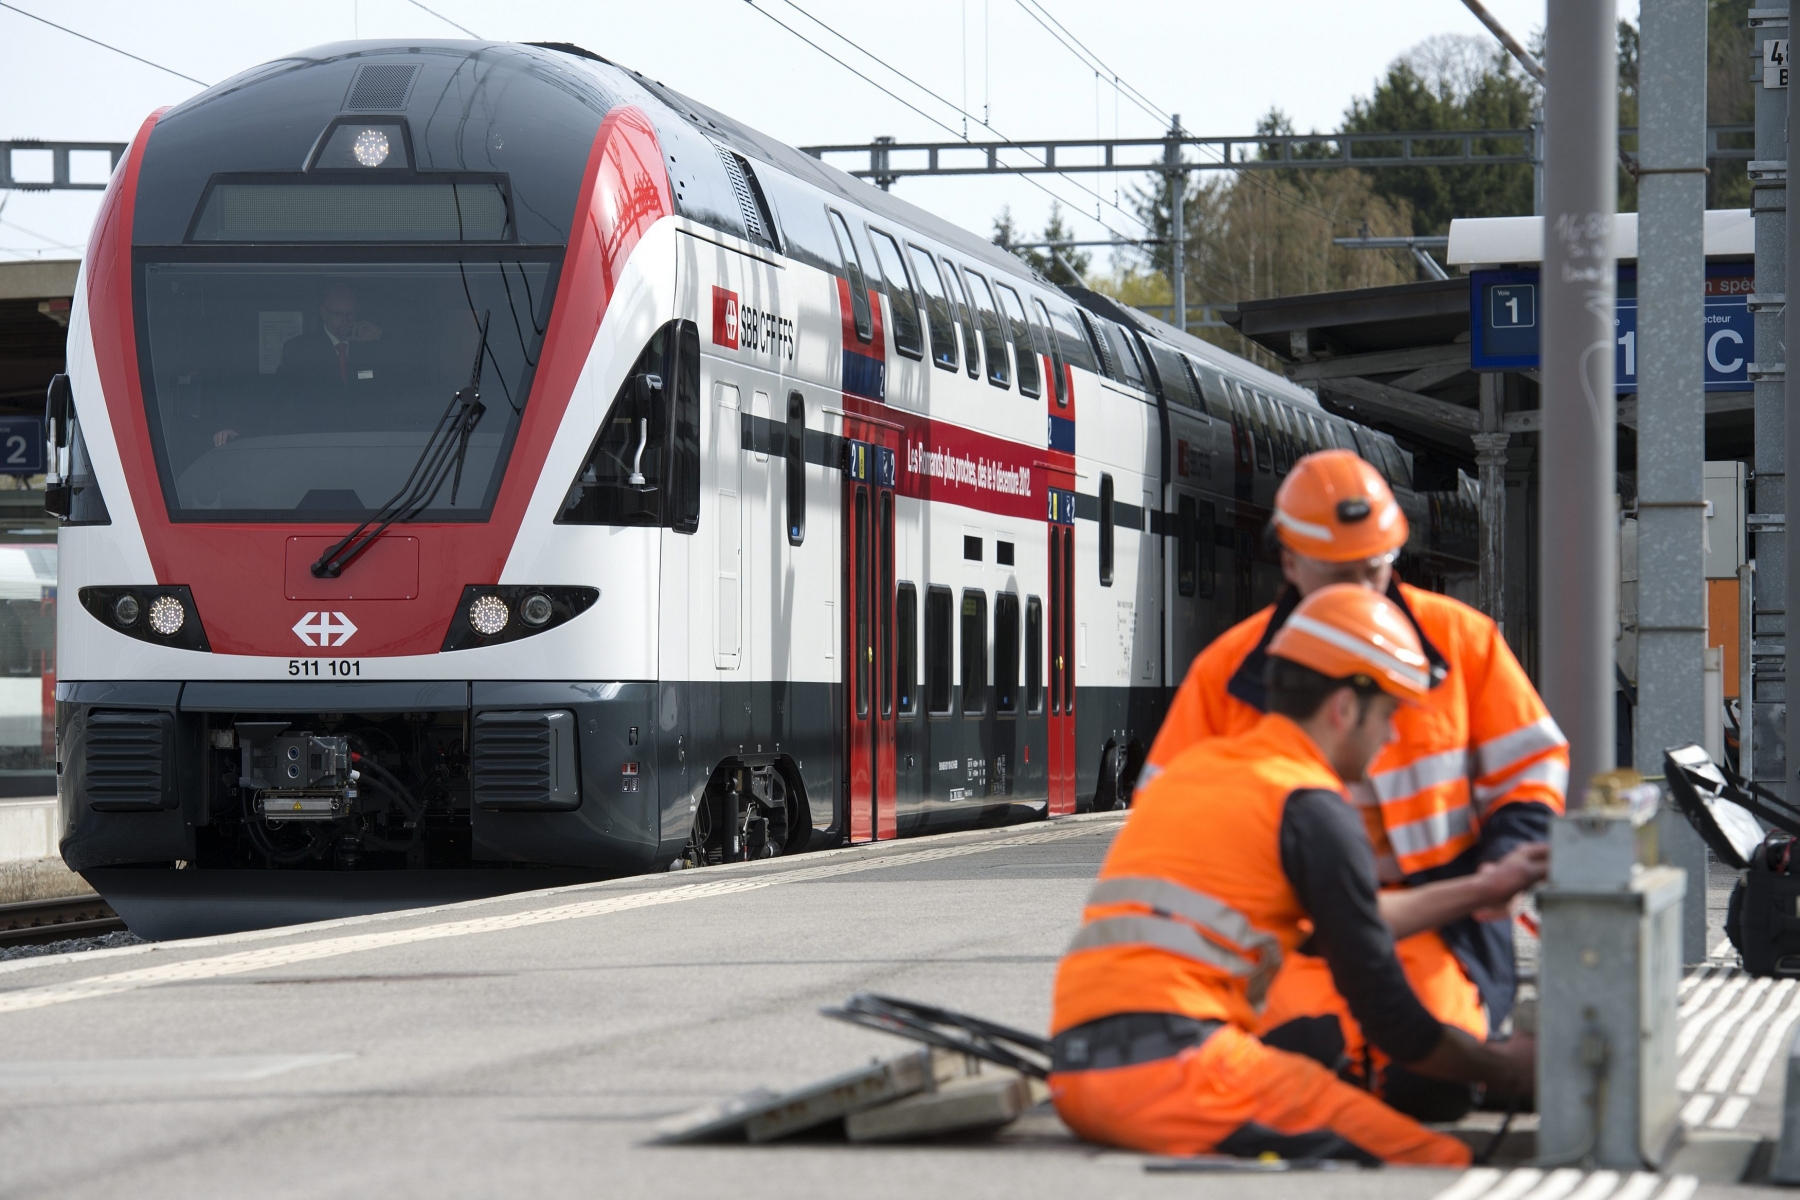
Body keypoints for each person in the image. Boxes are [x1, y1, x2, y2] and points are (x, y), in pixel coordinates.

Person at [1142, 449, 1564, 1119]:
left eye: (1372, 573)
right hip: (1286, 940)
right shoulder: (1225, 673)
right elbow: (1163, 825)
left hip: (1439, 924)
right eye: (1338, 577)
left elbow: (1531, 772)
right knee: (1294, 1067)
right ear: (1289, 564)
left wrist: (1507, 859)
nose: (1360, 595)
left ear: (1394, 557)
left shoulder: (1466, 641)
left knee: (1424, 1076)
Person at [1049, 585, 1534, 1165]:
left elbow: (1350, 925)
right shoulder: (1312, 807)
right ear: (1345, 708)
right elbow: (1392, 1017)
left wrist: (1481, 890)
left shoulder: (1199, 769)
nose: (1390, 738)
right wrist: (1507, 1068)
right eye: (1388, 715)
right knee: (1434, 1154)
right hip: (1179, 1072)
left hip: (1077, 1076)